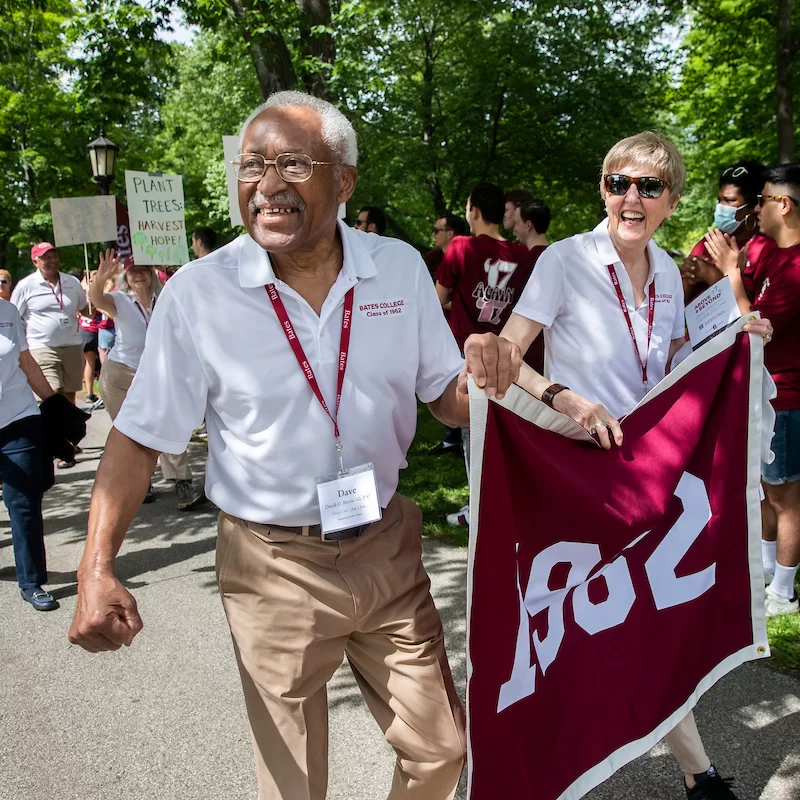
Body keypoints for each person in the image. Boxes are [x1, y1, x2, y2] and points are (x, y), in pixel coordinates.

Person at [68, 90, 517, 800]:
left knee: (443, 749)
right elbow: (138, 437)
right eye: (252, 166)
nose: (267, 184)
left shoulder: (397, 268)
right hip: (269, 559)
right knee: (292, 785)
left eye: (292, 164)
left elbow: (447, 400)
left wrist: (486, 373)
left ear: (343, 181)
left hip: (385, 545)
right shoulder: (199, 294)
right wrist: (96, 566)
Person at [493, 132, 772, 799]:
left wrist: (738, 338)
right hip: (578, 477)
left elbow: (676, 364)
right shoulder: (563, 261)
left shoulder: (673, 273)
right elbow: (507, 357)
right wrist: (565, 398)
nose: (631, 198)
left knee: (640, 627)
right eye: (619, 183)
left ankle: (695, 775)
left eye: (648, 187)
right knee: (585, 638)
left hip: (650, 473)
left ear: (671, 199)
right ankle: (686, 775)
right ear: (603, 189)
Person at [704, 163, 800, 617]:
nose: (754, 208)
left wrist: (730, 274)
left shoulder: (797, 266)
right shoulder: (773, 254)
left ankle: (783, 590)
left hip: (788, 396)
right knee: (765, 489)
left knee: (786, 498)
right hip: (766, 392)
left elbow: (755, 328)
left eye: (762, 199)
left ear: (784, 205)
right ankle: (762, 573)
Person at [435, 182, 537, 524]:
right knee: (507, 437)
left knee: (472, 434)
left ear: (473, 210)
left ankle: (479, 512)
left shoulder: (460, 246)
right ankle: (509, 508)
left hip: (469, 361)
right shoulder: (522, 254)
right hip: (511, 362)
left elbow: (439, 298)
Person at [89, 252, 206, 511]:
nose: (138, 274)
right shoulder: (119, 300)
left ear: (152, 272)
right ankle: (142, 484)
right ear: (125, 277)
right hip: (120, 374)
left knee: (169, 424)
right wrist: (100, 277)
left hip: (158, 372)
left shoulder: (165, 295)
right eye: (132, 271)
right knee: (129, 432)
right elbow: (96, 299)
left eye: (142, 269)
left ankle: (182, 480)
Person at [0, 298, 60, 610]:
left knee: (23, 503)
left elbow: (26, 362)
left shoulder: (7, 311)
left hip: (18, 419)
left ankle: (31, 581)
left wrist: (54, 403)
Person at [11, 243, 89, 468]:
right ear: (35, 261)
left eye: (54, 255)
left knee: (70, 395)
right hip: (41, 346)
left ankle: (68, 441)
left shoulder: (71, 282)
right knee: (52, 395)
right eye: (46, 257)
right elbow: (14, 315)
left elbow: (85, 308)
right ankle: (57, 445)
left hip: (73, 345)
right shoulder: (26, 286)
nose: (52, 260)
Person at [681, 161, 766, 304]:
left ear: (753, 206)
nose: (721, 207)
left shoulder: (764, 249)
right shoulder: (709, 243)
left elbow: (755, 314)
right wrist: (689, 276)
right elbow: (675, 306)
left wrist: (711, 275)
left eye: (729, 200)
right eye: (719, 200)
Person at [423, 214, 467, 280]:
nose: (433, 235)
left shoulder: (467, 259)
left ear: (450, 234)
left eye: (436, 231)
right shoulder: (430, 259)